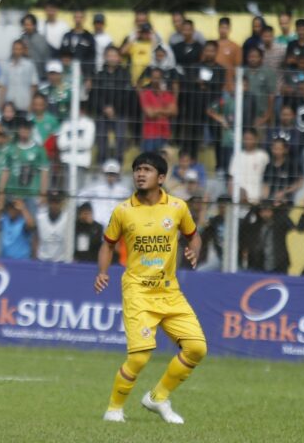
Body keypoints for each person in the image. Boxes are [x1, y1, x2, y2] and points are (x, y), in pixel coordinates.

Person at [96, 152, 205, 424]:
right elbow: (108, 244)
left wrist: (194, 252)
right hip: (138, 292)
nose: (140, 174)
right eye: (136, 169)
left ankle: (157, 398)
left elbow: (194, 237)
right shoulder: (123, 210)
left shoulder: (178, 207)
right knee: (140, 357)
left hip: (169, 292)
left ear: (162, 177)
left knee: (196, 348)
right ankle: (114, 410)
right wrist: (102, 272)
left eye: (146, 169)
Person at [179, 40, 224, 160]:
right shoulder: (195, 67)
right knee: (193, 137)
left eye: (212, 50)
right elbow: (190, 83)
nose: (209, 53)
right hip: (195, 108)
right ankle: (192, 161)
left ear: (216, 52)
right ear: (204, 51)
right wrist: (202, 84)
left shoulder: (220, 69)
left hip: (212, 108)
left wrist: (203, 84)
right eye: (207, 50)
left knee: (217, 137)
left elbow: (218, 85)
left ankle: (219, 165)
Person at [91, 46, 134, 164]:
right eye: (109, 55)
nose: (112, 58)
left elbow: (127, 96)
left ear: (119, 58)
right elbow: (94, 95)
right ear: (105, 57)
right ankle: (101, 165)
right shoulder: (99, 75)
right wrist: (104, 108)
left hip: (120, 113)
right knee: (101, 141)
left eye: (114, 55)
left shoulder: (125, 75)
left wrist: (114, 108)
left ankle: (118, 165)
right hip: (102, 113)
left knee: (120, 140)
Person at [240, 200, 294, 273]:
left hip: (279, 264)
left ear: (272, 212)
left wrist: (279, 209)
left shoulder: (279, 225)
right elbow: (244, 226)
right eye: (263, 211)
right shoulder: (255, 227)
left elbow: (291, 225)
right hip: (259, 264)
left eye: (268, 211)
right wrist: (253, 209)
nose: (265, 214)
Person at [78, 159, 132, 229]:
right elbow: (79, 199)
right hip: (98, 225)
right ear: (104, 174)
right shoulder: (95, 188)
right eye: (109, 174)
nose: (111, 177)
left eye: (113, 174)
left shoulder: (124, 191)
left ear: (117, 175)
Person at [228, 127, 270, 204]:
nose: (247, 141)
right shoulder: (237, 156)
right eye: (245, 139)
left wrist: (264, 198)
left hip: (257, 200)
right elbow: (231, 179)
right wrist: (233, 197)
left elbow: (267, 179)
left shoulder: (263, 156)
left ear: (256, 139)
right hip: (240, 201)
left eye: (250, 139)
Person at [139, 67, 177, 153]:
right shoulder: (145, 94)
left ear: (162, 79)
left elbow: (174, 111)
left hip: (164, 132)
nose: (155, 80)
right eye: (153, 78)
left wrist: (156, 110)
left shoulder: (168, 94)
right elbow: (150, 114)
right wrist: (165, 110)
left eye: (158, 78)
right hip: (149, 134)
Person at [0, 39, 39, 111]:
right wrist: (0, 103)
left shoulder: (29, 65)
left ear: (23, 50)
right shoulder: (6, 65)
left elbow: (33, 85)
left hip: (24, 103)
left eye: (19, 49)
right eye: (15, 49)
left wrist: (31, 104)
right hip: (9, 105)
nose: (17, 51)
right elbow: (3, 86)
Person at [244, 47, 277, 130]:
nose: (253, 59)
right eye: (251, 57)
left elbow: (271, 95)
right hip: (245, 114)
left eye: (255, 57)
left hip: (261, 115)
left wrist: (267, 116)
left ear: (261, 58)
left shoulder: (268, 73)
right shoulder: (243, 72)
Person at [262, 137, 303, 203]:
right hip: (272, 202)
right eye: (275, 148)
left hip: (287, 201)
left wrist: (284, 192)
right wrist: (266, 200)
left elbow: (300, 182)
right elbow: (266, 186)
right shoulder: (268, 166)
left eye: (280, 149)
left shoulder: (292, 165)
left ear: (286, 149)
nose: (277, 151)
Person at [60, 8, 96, 80]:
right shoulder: (66, 36)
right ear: (73, 18)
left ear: (84, 19)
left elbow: (91, 58)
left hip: (83, 74)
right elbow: (61, 54)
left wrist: (89, 77)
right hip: (66, 73)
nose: (78, 20)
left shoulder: (89, 37)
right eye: (76, 17)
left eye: (80, 17)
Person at [34, 190, 68, 262]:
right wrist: (35, 257)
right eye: (51, 202)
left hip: (61, 261)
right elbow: (36, 238)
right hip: (42, 260)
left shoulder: (67, 218)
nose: (54, 205)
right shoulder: (40, 218)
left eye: (57, 202)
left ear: (61, 203)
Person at [215, 17, 242, 94]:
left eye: (226, 28)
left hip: (228, 88)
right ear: (218, 28)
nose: (223, 30)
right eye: (221, 27)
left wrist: (234, 85)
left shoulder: (235, 47)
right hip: (213, 86)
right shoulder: (212, 46)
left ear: (230, 29)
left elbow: (237, 68)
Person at [20, 13, 49, 80]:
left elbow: (45, 58)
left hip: (39, 75)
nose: (27, 27)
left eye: (29, 25)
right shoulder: (22, 38)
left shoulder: (41, 39)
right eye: (25, 25)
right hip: (25, 75)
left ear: (34, 25)